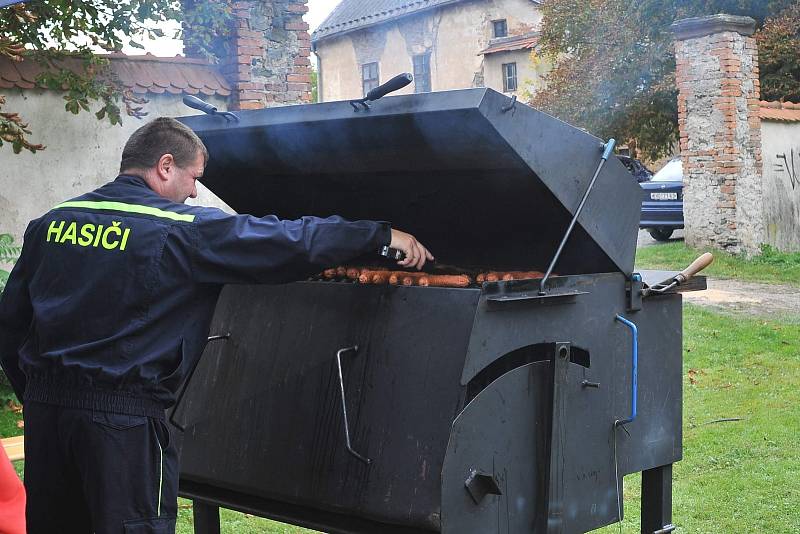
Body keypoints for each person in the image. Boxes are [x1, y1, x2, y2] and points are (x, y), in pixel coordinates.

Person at [0, 117, 433, 533]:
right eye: (194, 178)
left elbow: (11, 325)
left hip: (48, 416)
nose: (193, 193)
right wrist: (378, 235)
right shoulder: (180, 230)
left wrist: (40, 396)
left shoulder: (53, 223)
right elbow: (287, 240)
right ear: (165, 165)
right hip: (123, 424)